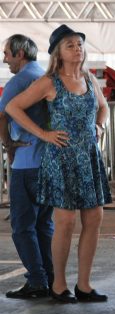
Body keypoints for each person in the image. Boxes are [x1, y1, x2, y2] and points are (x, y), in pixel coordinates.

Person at [6, 24, 111, 303]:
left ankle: (84, 285)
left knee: (94, 218)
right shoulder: (50, 82)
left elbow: (103, 107)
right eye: (70, 45)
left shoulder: (89, 78)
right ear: (58, 53)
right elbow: (13, 107)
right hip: (61, 157)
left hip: (88, 156)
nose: (77, 49)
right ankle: (59, 285)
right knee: (65, 222)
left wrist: (100, 126)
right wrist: (43, 134)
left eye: (79, 44)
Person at [0, 34, 54, 299]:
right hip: (48, 161)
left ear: (19, 54)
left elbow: (2, 114)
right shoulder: (45, 77)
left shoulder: (19, 81)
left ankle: (37, 281)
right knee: (44, 224)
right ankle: (50, 278)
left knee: (23, 227)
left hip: (26, 162)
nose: (5, 59)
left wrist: (8, 143)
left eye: (7, 54)